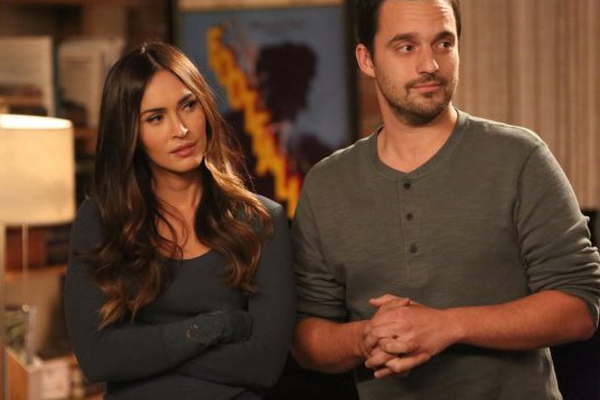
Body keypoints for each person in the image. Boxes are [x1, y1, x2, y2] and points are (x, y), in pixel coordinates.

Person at [291, 0, 600, 399]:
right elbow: (306, 337)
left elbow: (580, 305)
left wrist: (448, 325)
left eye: (444, 43)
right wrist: (365, 336)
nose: (430, 65)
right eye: (406, 47)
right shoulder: (327, 185)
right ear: (366, 59)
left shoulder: (520, 157)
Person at [65, 41, 295, 400]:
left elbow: (264, 363)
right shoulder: (101, 220)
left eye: (188, 106)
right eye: (156, 118)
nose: (181, 129)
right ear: (131, 133)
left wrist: (144, 352)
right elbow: (97, 358)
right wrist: (215, 327)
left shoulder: (262, 221)